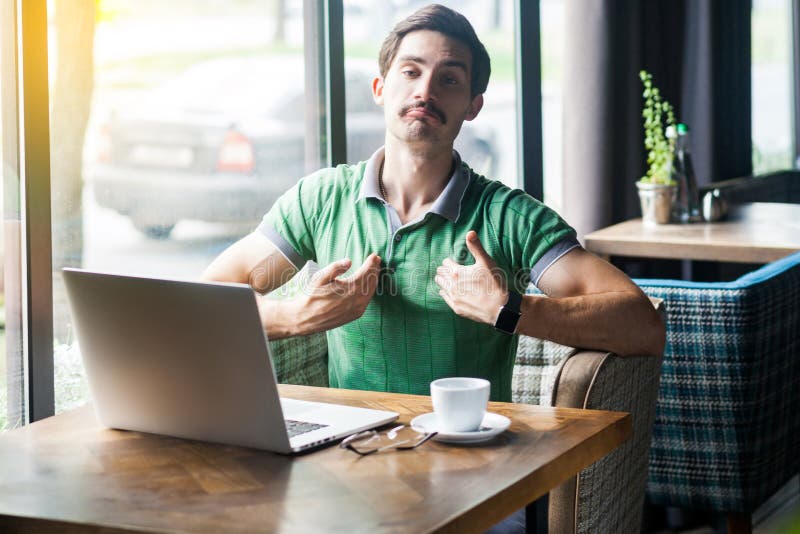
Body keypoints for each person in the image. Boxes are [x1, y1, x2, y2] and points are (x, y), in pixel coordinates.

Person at [202, 4, 665, 404]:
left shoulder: (510, 218)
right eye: (411, 71)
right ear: (381, 89)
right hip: (351, 460)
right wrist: (298, 315)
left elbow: (643, 325)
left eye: (449, 79)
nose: (425, 91)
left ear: (473, 106)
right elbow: (206, 300)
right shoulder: (318, 200)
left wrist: (512, 310)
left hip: (478, 475)